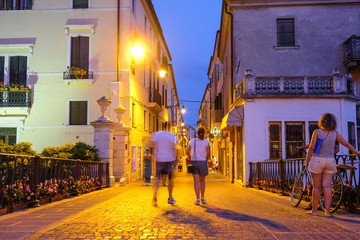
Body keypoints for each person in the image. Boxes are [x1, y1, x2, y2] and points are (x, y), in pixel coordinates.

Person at [305, 113, 360, 217]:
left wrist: (307, 161)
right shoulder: (335, 133)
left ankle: (314, 211)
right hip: (330, 161)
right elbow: (346, 144)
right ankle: (328, 212)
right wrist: (356, 152)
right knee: (327, 187)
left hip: (317, 160)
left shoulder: (317, 132)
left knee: (317, 187)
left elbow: (312, 148)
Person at [151, 128, 178, 206]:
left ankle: (155, 195)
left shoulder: (156, 135)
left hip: (159, 160)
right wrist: (175, 160)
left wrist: (155, 157)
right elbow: (174, 148)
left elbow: (153, 147)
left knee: (157, 179)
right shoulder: (171, 136)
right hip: (169, 159)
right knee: (170, 179)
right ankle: (170, 197)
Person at [187, 126, 210, 205]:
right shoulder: (207, 142)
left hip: (194, 162)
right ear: (204, 133)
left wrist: (190, 156)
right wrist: (205, 158)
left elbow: (188, 151)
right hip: (203, 162)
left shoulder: (192, 141)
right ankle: (202, 197)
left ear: (196, 133)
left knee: (196, 181)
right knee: (202, 181)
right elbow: (208, 154)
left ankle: (197, 199)